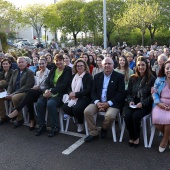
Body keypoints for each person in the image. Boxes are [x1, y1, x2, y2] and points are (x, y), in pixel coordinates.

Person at [84, 57, 125, 142]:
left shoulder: (119, 77)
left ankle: (104, 128)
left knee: (110, 116)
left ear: (113, 65)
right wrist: (97, 102)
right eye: (105, 64)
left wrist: (108, 103)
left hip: (113, 103)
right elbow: (93, 92)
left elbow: (121, 93)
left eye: (109, 63)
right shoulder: (97, 76)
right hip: (98, 101)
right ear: (102, 65)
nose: (107, 65)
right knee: (87, 111)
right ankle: (93, 132)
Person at [35, 54, 72, 137]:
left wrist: (51, 90)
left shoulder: (68, 70)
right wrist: (47, 90)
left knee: (51, 104)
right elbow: (47, 82)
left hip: (60, 93)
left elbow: (64, 84)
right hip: (50, 92)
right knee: (39, 103)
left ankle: (55, 126)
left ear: (63, 61)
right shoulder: (53, 69)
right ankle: (42, 125)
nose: (58, 62)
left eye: (60, 60)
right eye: (56, 60)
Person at [7, 58, 50, 130]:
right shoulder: (37, 73)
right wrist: (9, 92)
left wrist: (38, 87)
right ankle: (32, 120)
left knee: (29, 93)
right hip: (35, 92)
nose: (41, 65)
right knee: (29, 97)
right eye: (40, 64)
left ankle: (16, 111)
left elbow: (47, 85)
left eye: (43, 63)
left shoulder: (49, 72)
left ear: (46, 64)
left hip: (44, 92)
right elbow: (10, 84)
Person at [123, 56, 155, 147]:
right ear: (136, 66)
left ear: (147, 66)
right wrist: (130, 101)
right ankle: (132, 135)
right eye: (139, 65)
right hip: (133, 102)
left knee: (135, 116)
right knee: (127, 115)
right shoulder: (133, 78)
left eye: (143, 65)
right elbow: (128, 92)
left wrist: (143, 103)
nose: (141, 67)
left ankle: (136, 137)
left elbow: (152, 96)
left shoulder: (152, 79)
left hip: (145, 103)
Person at [62, 59, 93, 132]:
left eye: (81, 66)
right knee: (65, 107)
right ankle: (80, 117)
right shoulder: (73, 76)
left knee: (76, 109)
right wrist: (70, 93)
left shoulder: (88, 76)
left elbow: (88, 90)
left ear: (85, 67)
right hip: (73, 96)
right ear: (75, 67)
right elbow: (68, 86)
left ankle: (80, 123)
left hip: (85, 97)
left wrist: (76, 94)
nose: (79, 67)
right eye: (77, 66)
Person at [5, 57, 35, 128]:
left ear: (26, 63)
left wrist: (14, 93)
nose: (20, 64)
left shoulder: (29, 72)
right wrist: (8, 92)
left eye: (22, 62)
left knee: (15, 98)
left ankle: (20, 119)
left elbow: (27, 86)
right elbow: (10, 84)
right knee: (1, 97)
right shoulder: (15, 72)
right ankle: (3, 116)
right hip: (13, 92)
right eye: (19, 62)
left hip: (24, 92)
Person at [152, 60, 170, 152]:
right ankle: (168, 137)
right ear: (164, 69)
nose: (169, 70)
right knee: (156, 121)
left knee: (168, 122)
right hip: (160, 104)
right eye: (167, 68)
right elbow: (154, 93)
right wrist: (159, 103)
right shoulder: (159, 80)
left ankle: (164, 140)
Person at [0, 58, 13, 124]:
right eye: (3, 64)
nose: (5, 65)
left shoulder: (13, 72)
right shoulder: (2, 73)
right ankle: (2, 116)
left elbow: (10, 83)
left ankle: (3, 117)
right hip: (2, 91)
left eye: (6, 64)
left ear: (10, 64)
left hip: (10, 90)